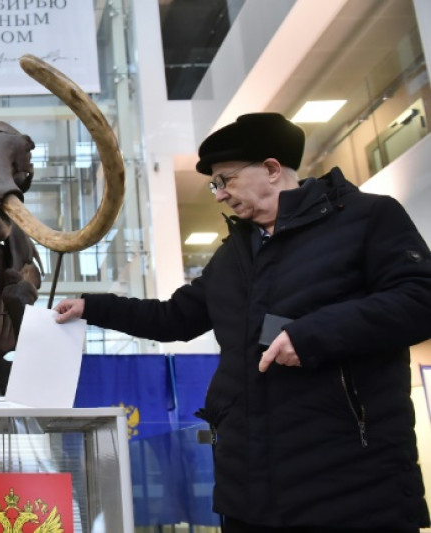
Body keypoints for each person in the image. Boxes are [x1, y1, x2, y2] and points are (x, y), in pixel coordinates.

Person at [55, 112, 431, 532]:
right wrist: (92, 307)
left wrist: (312, 335)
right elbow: (173, 318)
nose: (219, 195)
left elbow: (420, 300)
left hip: (353, 491)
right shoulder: (233, 255)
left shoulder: (367, 218)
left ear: (271, 169)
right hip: (249, 496)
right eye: (214, 185)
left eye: (225, 180)